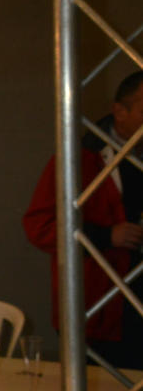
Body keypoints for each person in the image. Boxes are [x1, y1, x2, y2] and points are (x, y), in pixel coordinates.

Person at [24, 70, 143, 370]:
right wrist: (105, 236)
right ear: (120, 111)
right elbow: (40, 227)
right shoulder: (79, 159)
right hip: (98, 313)